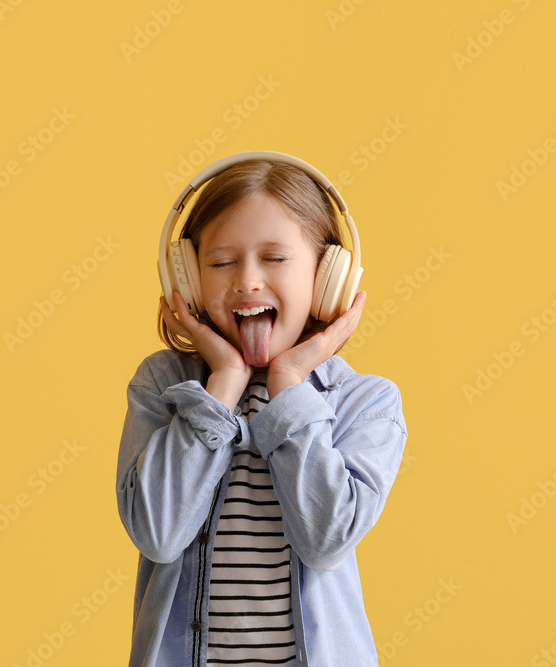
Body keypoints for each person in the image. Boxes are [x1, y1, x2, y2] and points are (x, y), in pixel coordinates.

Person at [117, 155, 408, 666]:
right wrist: (222, 384)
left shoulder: (368, 403)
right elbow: (158, 534)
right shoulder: (162, 385)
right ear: (185, 279)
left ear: (326, 279)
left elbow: (324, 540)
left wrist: (289, 386)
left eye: (274, 258)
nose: (247, 281)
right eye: (222, 262)